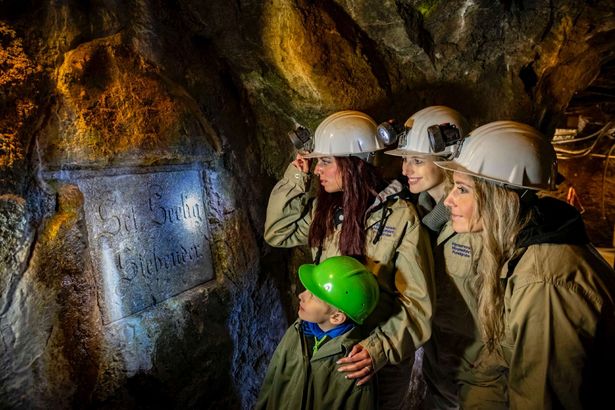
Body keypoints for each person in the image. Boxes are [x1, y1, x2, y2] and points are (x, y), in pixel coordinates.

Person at [435, 120, 615, 408]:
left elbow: (541, 400)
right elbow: (498, 361)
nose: (448, 201)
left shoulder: (544, 284)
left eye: (462, 189)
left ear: (499, 198)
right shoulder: (517, 249)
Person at [264, 110, 434, 408]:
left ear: (354, 164)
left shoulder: (400, 217)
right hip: (331, 350)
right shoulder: (328, 210)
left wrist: (377, 350)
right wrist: (296, 176)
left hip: (373, 365)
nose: (318, 169)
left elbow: (418, 305)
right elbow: (278, 232)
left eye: (326, 161)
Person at [385, 106, 501, 409]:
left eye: (417, 161)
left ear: (448, 159)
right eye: (406, 160)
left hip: (478, 372)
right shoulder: (417, 216)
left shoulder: (478, 222)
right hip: (438, 365)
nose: (405, 170)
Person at [256, 255, 380, 409]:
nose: (301, 296)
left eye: (313, 295)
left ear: (336, 317)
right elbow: (271, 383)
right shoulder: (296, 332)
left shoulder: (353, 367)